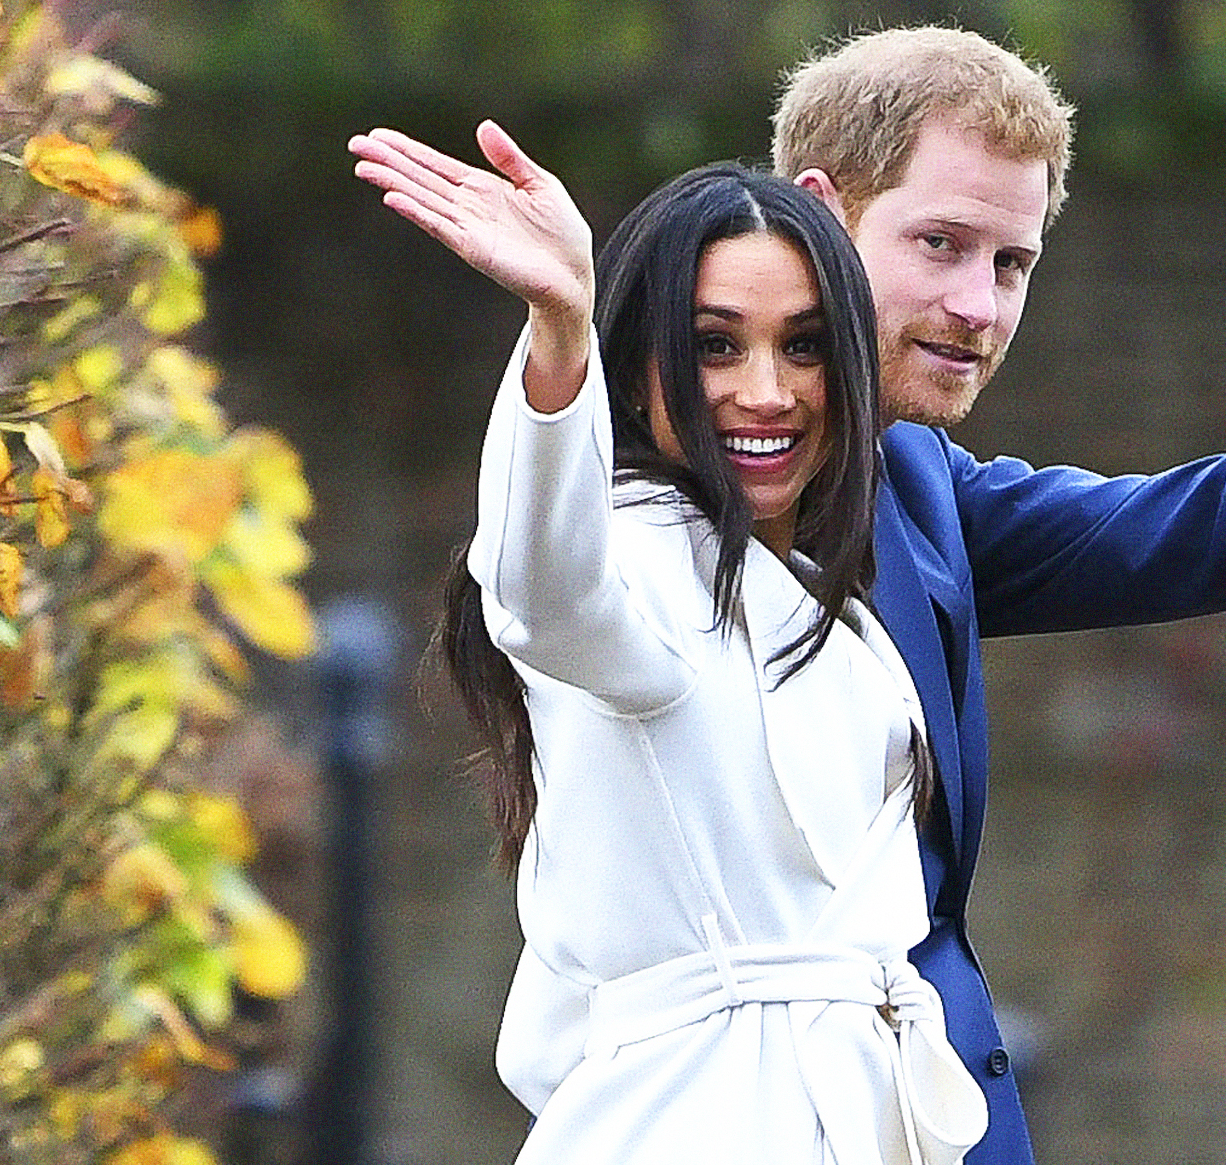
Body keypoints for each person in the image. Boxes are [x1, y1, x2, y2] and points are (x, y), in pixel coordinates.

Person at [767, 27, 1226, 1164]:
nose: (978, 306)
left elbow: (1161, 532)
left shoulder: (921, 480)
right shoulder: (648, 478)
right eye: (939, 243)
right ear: (820, 212)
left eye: (1010, 264)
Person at [348, 123, 991, 1163]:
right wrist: (559, 329)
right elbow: (545, 586)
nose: (766, 392)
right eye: (715, 345)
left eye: (806, 344)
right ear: (639, 364)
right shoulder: (641, 561)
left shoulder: (838, 601)